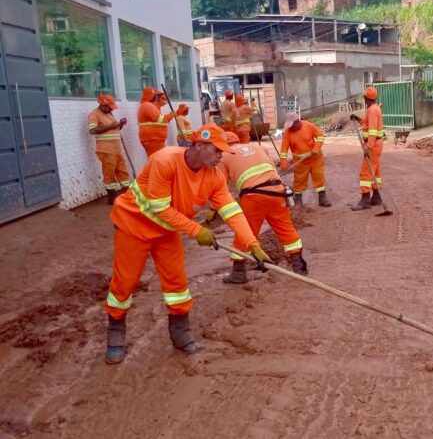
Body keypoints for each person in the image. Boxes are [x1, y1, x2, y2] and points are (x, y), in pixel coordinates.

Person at [103, 123, 272, 365]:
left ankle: (180, 333)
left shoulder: (214, 177)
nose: (220, 157)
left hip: (168, 231)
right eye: (217, 151)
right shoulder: (165, 160)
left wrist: (252, 244)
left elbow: (231, 210)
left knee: (177, 283)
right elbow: (158, 207)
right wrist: (196, 230)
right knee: (125, 282)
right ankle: (115, 334)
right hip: (134, 227)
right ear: (199, 145)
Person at [217, 131, 308, 282]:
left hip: (253, 197)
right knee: (285, 228)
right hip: (277, 192)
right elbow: (273, 170)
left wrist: (215, 210)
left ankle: (238, 272)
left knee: (245, 233)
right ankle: (299, 266)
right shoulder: (259, 147)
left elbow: (220, 185)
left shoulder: (224, 156)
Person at [279, 112, 331, 207]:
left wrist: (316, 148)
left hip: (315, 159)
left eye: (292, 125)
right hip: (300, 162)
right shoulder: (287, 133)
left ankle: (322, 198)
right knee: (299, 181)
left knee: (319, 177)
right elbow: (283, 150)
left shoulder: (309, 125)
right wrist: (283, 163)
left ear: (297, 121)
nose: (290, 128)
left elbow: (320, 136)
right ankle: (298, 201)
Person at [88, 94, 130, 203]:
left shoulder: (109, 113)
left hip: (116, 149)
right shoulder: (94, 114)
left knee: (122, 171)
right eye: (109, 107)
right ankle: (113, 198)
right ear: (103, 104)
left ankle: (129, 195)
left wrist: (120, 124)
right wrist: (111, 126)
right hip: (106, 149)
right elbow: (92, 130)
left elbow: (112, 128)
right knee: (109, 173)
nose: (112, 109)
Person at [350, 87, 387, 211]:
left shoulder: (372, 110)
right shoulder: (374, 109)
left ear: (366, 98)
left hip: (373, 144)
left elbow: (372, 130)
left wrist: (368, 146)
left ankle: (365, 200)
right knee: (375, 171)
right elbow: (367, 124)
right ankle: (376, 197)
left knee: (365, 172)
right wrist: (358, 119)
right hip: (377, 143)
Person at [137, 87, 176, 157]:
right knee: (157, 160)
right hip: (152, 139)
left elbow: (162, 103)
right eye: (156, 96)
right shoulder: (148, 106)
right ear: (152, 96)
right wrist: (170, 115)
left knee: (158, 160)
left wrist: (162, 98)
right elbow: (160, 120)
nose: (157, 98)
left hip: (155, 139)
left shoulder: (151, 106)